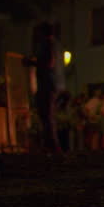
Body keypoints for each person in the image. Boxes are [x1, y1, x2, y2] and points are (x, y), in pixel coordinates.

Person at [25, 22, 66, 153]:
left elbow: (49, 62)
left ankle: (53, 145)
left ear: (43, 33)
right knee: (47, 114)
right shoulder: (58, 45)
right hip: (57, 83)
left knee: (46, 114)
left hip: (48, 83)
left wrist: (31, 62)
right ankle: (49, 144)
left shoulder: (48, 44)